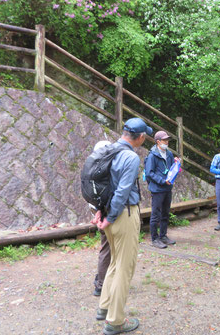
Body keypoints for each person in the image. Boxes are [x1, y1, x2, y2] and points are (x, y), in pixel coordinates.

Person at [93, 117, 151, 335]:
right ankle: (115, 322)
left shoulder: (108, 150)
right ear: (141, 137)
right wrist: (111, 216)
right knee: (124, 268)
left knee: (115, 263)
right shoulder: (130, 157)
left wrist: (101, 213)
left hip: (108, 214)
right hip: (123, 215)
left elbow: (100, 186)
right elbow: (122, 191)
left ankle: (104, 307)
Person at [144, 130, 180, 249]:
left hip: (167, 188)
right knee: (155, 214)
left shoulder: (169, 154)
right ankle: (154, 239)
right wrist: (161, 181)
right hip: (157, 188)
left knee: (165, 213)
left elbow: (170, 169)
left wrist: (176, 165)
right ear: (158, 142)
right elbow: (149, 173)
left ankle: (163, 235)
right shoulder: (152, 155)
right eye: (164, 140)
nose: (167, 142)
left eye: (167, 140)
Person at [90, 140, 112, 297]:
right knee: (110, 248)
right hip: (110, 212)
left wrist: (97, 210)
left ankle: (101, 280)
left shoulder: (92, 168)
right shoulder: (109, 168)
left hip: (99, 210)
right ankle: (102, 283)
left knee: (106, 247)